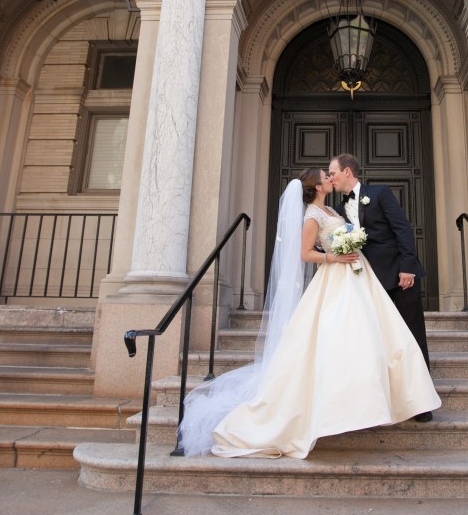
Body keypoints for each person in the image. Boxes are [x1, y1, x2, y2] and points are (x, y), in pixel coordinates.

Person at [177, 168, 440, 459]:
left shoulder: (334, 208)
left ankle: (380, 401)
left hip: (359, 278)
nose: (330, 178)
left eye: (333, 173)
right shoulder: (312, 215)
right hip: (335, 278)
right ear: (316, 185)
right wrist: (333, 256)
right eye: (325, 175)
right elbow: (305, 253)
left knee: (378, 336)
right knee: (336, 337)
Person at [327, 154, 434, 422]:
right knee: (382, 341)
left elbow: (402, 230)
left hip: (399, 277)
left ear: (347, 171)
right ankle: (388, 401)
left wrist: (407, 267)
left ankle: (422, 404)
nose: (331, 178)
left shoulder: (380, 193)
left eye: (333, 173)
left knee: (411, 338)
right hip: (368, 283)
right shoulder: (339, 211)